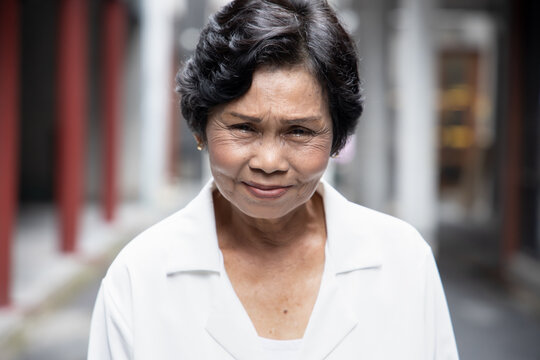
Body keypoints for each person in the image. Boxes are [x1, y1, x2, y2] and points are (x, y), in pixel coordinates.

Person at [88, 0, 459, 359]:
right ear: (200, 128)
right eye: (244, 128)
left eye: (298, 131)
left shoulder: (403, 264)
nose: (268, 162)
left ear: (336, 138)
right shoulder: (140, 277)